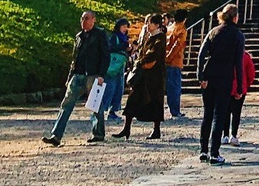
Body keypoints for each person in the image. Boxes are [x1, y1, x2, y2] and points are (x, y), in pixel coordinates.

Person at [42, 10, 110, 146]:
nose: (83, 21)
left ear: (93, 20)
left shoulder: (100, 34)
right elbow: (75, 59)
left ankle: (98, 134)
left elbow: (105, 56)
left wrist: (101, 75)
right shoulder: (79, 36)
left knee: (96, 105)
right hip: (78, 75)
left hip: (93, 74)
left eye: (87, 18)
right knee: (66, 104)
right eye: (82, 18)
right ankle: (56, 136)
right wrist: (70, 77)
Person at [195, 4, 246, 165]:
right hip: (225, 77)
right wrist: (239, 88)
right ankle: (214, 152)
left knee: (207, 114)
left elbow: (201, 54)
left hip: (209, 75)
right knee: (219, 115)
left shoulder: (213, 32)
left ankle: (203, 150)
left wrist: (200, 76)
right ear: (235, 17)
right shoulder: (238, 35)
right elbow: (239, 62)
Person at [117, 13, 166, 140]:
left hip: (154, 77)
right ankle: (126, 128)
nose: (148, 25)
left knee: (155, 101)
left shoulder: (160, 38)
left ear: (156, 25)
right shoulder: (148, 37)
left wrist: (141, 61)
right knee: (132, 100)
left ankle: (156, 130)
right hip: (143, 75)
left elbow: (153, 54)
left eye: (150, 23)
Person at [225, 43, 256, 146]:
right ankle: (233, 135)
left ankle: (224, 135)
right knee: (236, 113)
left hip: (226, 87)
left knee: (225, 112)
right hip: (239, 88)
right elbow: (251, 74)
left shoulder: (226, 55)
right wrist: (246, 85)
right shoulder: (245, 57)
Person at [163, 13, 190, 119]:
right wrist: (170, 57)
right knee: (175, 87)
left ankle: (172, 109)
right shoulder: (181, 30)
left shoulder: (170, 28)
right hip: (175, 61)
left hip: (166, 60)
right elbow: (178, 45)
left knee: (170, 86)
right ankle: (175, 110)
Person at [103, 19, 130, 120]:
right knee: (110, 88)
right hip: (113, 66)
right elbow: (111, 48)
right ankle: (103, 109)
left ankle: (113, 110)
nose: (125, 29)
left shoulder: (125, 38)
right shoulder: (114, 37)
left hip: (120, 66)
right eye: (123, 26)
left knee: (119, 88)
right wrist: (124, 46)